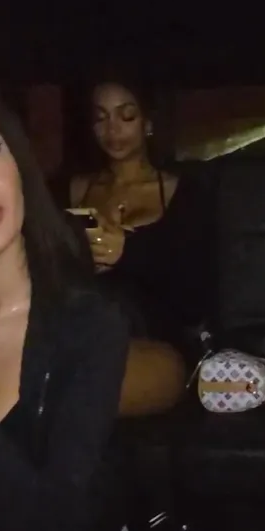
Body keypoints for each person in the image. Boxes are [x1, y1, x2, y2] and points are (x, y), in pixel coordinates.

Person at [67, 78, 217, 417]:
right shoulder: (71, 189)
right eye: (101, 117)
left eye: (126, 116)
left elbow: (195, 299)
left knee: (90, 381)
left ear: (147, 122)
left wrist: (129, 253)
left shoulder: (186, 193)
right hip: (80, 328)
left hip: (154, 340)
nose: (112, 129)